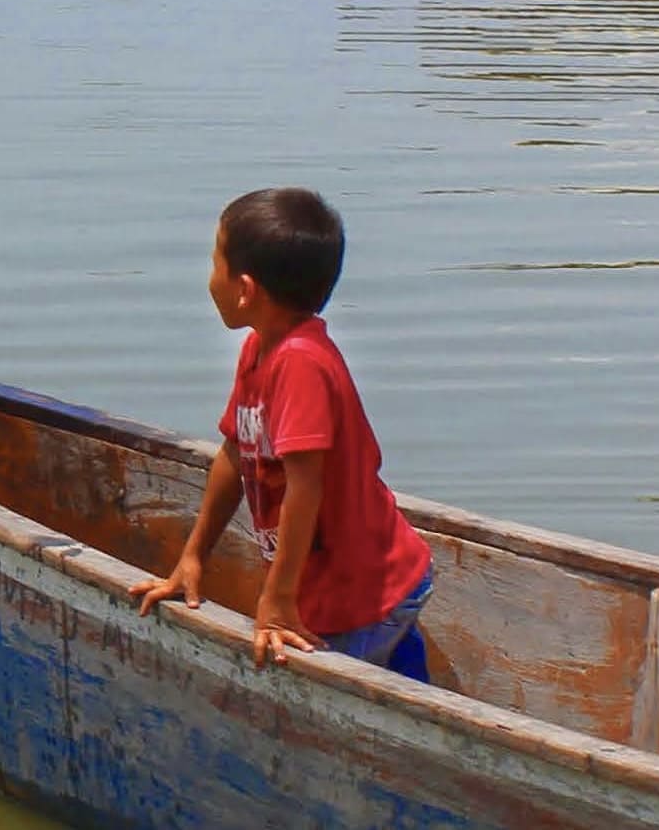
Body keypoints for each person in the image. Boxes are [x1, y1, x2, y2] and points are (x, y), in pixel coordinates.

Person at [130, 188, 436, 681]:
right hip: (360, 582)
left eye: (215, 264)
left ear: (245, 289)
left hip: (363, 594)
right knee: (403, 679)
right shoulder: (258, 350)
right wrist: (192, 557)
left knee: (330, 696)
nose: (210, 280)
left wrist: (277, 597)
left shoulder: (299, 363)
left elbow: (305, 484)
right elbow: (235, 452)